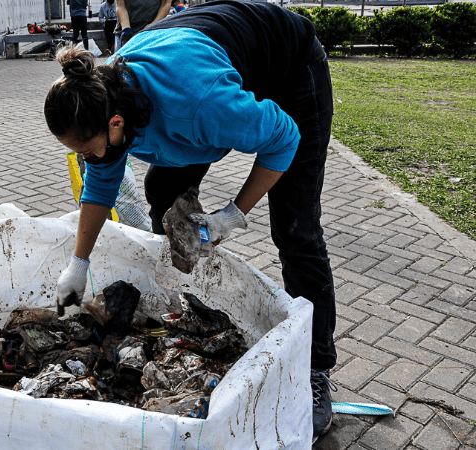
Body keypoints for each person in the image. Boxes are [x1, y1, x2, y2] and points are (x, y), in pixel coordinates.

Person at [44, 0, 336, 443]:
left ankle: (315, 369)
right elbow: (100, 186)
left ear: (116, 123)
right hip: (209, 68)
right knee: (162, 188)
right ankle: (185, 288)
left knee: (296, 229)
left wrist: (233, 214)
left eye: (87, 149)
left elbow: (283, 138)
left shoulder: (199, 106)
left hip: (289, 67)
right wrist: (78, 263)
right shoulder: (103, 98)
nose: (88, 158)